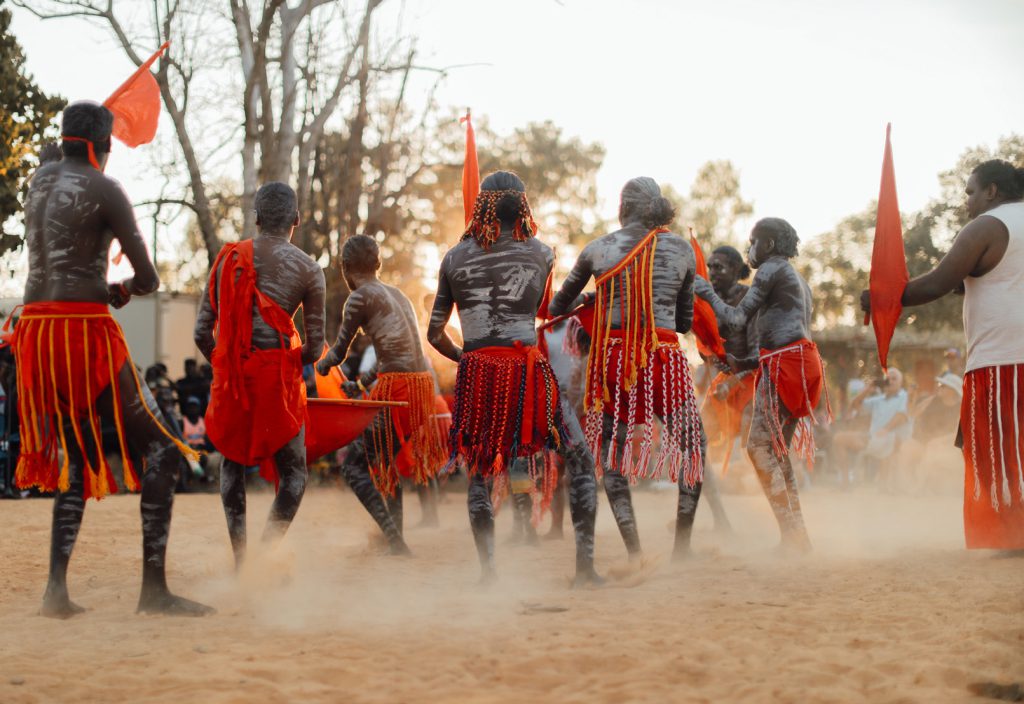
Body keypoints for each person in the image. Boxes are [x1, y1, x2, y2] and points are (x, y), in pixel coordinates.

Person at [9, 101, 211, 617]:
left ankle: (56, 592)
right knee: (164, 453)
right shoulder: (107, 189)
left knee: (76, 462)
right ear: (107, 147)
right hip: (81, 334)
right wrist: (119, 291)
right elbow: (148, 279)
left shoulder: (38, 182)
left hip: (35, 336)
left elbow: (53, 169)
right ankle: (154, 592)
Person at [428, 170, 600, 586]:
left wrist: (466, 358)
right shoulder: (541, 253)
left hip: (479, 373)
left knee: (480, 472)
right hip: (528, 373)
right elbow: (543, 309)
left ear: (481, 206)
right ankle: (584, 570)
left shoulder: (453, 258)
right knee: (579, 460)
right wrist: (585, 301)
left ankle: (489, 575)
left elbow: (434, 332)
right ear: (522, 206)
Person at [861, 159, 1024, 549]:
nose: (967, 200)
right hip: (1007, 355)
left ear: (992, 191)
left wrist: (882, 297)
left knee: (1001, 450)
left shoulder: (987, 226)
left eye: (970, 191)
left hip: (1003, 359)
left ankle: (1014, 536)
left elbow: (936, 283)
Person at [549, 177, 706, 561]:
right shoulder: (681, 250)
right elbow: (683, 323)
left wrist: (596, 296)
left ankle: (635, 552)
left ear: (623, 208)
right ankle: (681, 550)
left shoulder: (597, 249)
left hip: (614, 360)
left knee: (611, 456)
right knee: (694, 449)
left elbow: (556, 310)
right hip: (663, 357)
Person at [194, 181, 326, 569]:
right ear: (296, 221)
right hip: (277, 383)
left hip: (232, 377)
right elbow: (315, 349)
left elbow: (202, 333)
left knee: (232, 462)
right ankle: (265, 558)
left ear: (255, 219)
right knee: (294, 474)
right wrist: (280, 367)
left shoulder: (226, 261)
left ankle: (240, 562)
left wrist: (227, 366)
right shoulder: (309, 269)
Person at [695, 217, 824, 552]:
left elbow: (737, 319)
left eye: (753, 241)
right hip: (804, 361)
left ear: (767, 245)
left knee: (757, 447)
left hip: (784, 362)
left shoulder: (770, 269)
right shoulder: (797, 276)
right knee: (778, 454)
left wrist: (705, 291)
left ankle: (792, 536)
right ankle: (798, 537)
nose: (749, 249)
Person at [317, 234, 447, 554]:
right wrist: (360, 386)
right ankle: (394, 536)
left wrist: (316, 363)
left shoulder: (359, 298)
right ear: (377, 264)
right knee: (384, 462)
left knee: (353, 466)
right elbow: (396, 354)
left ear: (346, 267)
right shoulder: (398, 295)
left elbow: (338, 354)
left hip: (400, 388)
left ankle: (394, 540)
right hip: (422, 390)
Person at [831, 368, 909, 485]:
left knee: (886, 442)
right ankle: (845, 482)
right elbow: (855, 405)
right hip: (873, 438)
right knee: (839, 438)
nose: (891, 381)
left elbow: (901, 415)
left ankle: (882, 483)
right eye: (888, 379)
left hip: (892, 438)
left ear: (900, 383)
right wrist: (867, 389)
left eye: (894, 379)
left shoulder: (905, 396)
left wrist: (886, 429)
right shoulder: (879, 399)